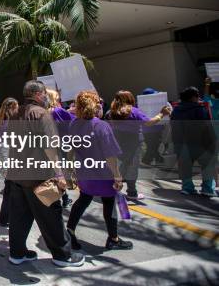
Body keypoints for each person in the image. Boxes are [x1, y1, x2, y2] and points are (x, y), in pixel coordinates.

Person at [6, 80, 84, 267]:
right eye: (46, 94)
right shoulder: (42, 114)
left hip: (17, 174)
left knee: (19, 217)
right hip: (38, 176)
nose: (47, 97)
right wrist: (59, 174)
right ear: (39, 95)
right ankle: (62, 256)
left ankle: (17, 253)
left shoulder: (15, 113)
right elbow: (50, 147)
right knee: (51, 216)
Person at [67, 91, 133, 251]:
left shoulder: (74, 124)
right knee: (109, 203)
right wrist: (117, 176)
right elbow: (110, 155)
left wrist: (69, 170)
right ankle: (113, 238)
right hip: (103, 174)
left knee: (83, 200)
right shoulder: (101, 126)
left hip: (84, 172)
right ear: (95, 105)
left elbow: (70, 150)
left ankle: (69, 231)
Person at [105, 90, 171, 200]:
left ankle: (111, 190)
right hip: (133, 144)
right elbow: (149, 122)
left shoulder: (109, 113)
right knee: (132, 168)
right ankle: (132, 192)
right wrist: (162, 113)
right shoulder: (134, 112)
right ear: (130, 99)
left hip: (114, 143)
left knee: (115, 167)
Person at [171, 86, 216, 197]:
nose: (198, 98)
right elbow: (207, 127)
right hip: (200, 144)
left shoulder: (176, 111)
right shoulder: (200, 110)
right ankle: (207, 188)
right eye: (197, 96)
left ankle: (187, 187)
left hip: (181, 144)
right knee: (208, 165)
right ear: (192, 98)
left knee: (185, 166)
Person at [0, 97, 19, 227]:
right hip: (8, 160)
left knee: (10, 190)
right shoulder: (10, 123)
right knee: (11, 191)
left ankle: (5, 218)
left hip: (4, 159)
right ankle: (6, 218)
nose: (18, 109)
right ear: (11, 108)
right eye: (16, 106)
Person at [46, 89, 75, 208]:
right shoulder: (57, 111)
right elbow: (73, 122)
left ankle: (62, 197)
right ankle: (64, 197)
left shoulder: (42, 112)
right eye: (57, 97)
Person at [139, 88, 168, 166]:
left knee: (153, 145)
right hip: (151, 129)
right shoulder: (142, 105)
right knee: (153, 145)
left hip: (153, 128)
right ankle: (146, 160)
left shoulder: (143, 104)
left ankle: (158, 159)